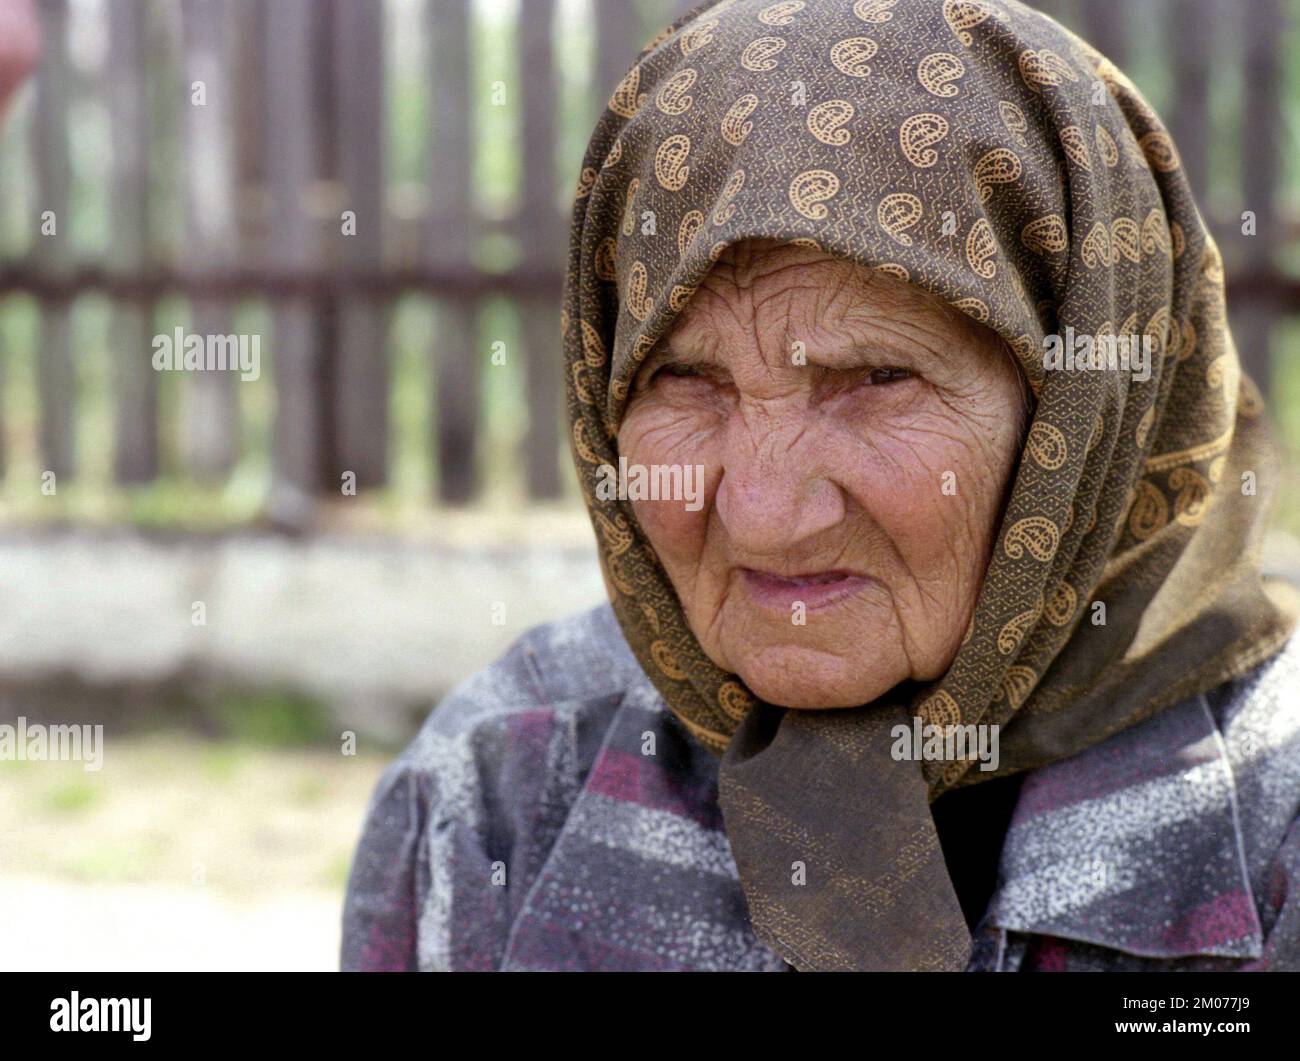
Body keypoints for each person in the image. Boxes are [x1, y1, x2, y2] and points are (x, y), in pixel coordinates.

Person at [342, 0, 1300, 971]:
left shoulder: (1279, 810)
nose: (765, 512)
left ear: (1086, 405)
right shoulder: (498, 791)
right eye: (684, 379)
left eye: (877, 378)